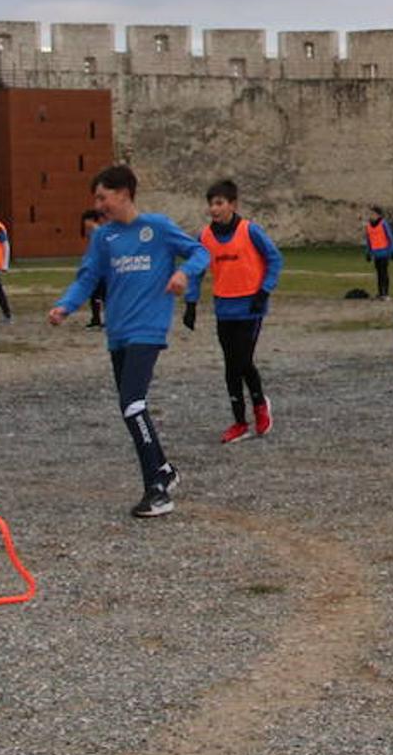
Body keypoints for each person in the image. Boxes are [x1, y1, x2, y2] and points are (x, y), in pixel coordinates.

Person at [48, 166, 209, 518]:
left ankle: (158, 490)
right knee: (129, 406)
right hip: (117, 333)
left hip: (147, 330)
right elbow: (87, 278)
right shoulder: (103, 238)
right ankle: (164, 468)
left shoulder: (158, 228)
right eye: (96, 198)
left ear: (123, 194)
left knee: (132, 402)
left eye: (102, 197)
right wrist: (66, 305)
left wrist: (184, 273)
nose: (98, 204)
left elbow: (200, 253)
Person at [183, 179, 284, 444]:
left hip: (250, 307)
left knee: (240, 362)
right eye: (211, 204)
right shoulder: (205, 237)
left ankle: (257, 408)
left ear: (233, 204)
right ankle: (241, 420)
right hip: (224, 308)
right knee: (232, 365)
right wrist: (191, 304)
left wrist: (264, 291)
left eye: (219, 203)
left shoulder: (250, 231)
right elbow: (195, 270)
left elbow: (274, 258)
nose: (214, 209)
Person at [80, 208, 107, 328]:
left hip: (99, 270)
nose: (84, 224)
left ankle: (97, 320)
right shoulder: (94, 233)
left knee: (97, 295)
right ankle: (101, 319)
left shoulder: (97, 232)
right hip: (98, 269)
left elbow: (99, 252)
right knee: (102, 296)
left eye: (85, 220)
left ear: (90, 220)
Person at [363, 206, 393, 299]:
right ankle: (380, 292)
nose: (371, 216)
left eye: (373, 214)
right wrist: (368, 252)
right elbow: (368, 240)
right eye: (370, 214)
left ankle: (386, 293)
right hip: (376, 253)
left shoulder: (383, 224)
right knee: (378, 273)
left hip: (384, 252)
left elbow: (390, 237)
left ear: (378, 215)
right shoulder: (369, 226)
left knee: (384, 273)